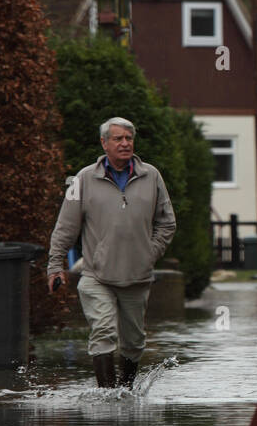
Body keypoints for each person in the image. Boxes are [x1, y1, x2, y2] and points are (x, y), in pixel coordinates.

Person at [47, 117, 177, 388]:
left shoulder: (151, 176)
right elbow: (65, 228)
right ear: (104, 143)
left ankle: (126, 390)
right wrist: (55, 265)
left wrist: (149, 253)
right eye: (118, 138)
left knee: (133, 342)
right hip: (97, 275)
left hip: (137, 275)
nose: (125, 143)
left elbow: (167, 222)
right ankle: (107, 395)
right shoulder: (82, 179)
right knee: (104, 331)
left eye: (129, 138)